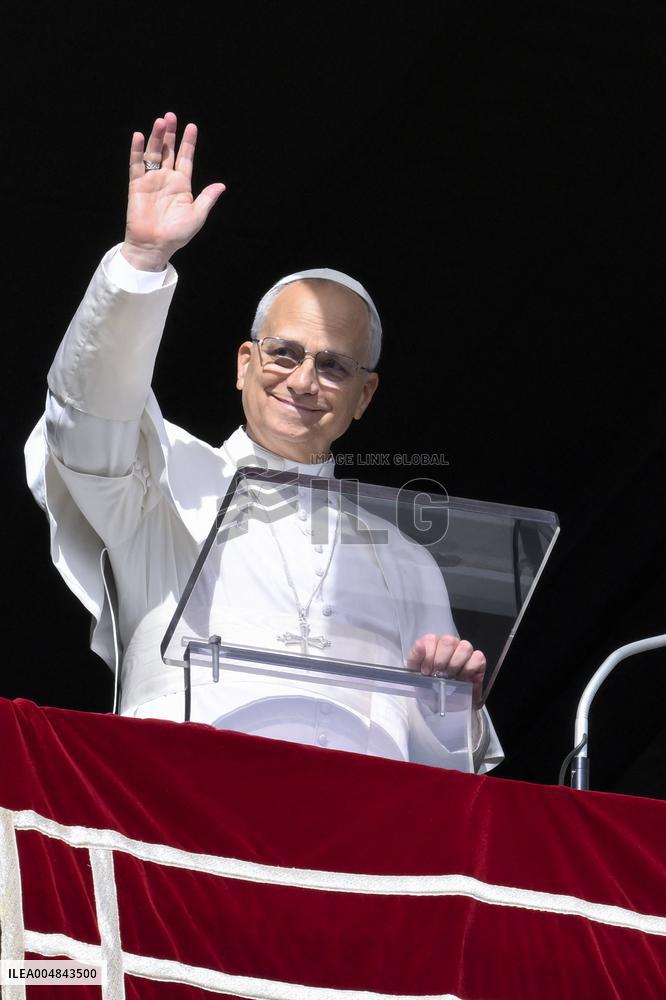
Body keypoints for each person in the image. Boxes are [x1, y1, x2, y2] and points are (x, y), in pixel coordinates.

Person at [25, 112, 503, 772]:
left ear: (364, 396)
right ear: (245, 363)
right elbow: (84, 420)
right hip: (181, 802)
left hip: (352, 835)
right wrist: (141, 262)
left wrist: (451, 701)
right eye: (284, 354)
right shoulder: (162, 484)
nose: (304, 381)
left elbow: (452, 767)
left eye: (334, 365)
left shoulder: (404, 560)